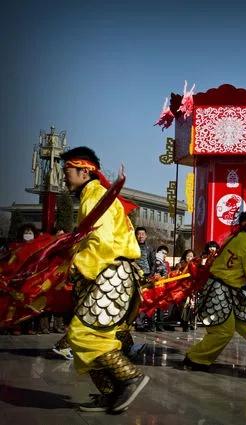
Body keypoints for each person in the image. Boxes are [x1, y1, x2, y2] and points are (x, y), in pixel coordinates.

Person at [61, 146, 148, 413]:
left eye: (67, 171)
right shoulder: (95, 194)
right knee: (93, 338)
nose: (65, 178)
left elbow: (102, 241)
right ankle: (111, 394)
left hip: (109, 273)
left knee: (82, 333)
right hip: (107, 274)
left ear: (84, 170)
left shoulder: (95, 195)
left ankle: (130, 377)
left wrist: (76, 267)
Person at [183, 210, 246, 371]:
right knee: (223, 331)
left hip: (233, 290)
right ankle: (195, 358)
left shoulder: (236, 239)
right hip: (219, 290)